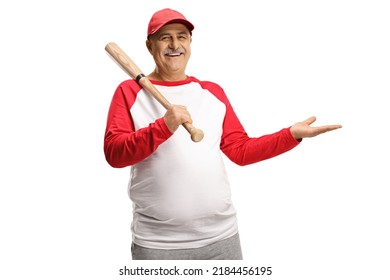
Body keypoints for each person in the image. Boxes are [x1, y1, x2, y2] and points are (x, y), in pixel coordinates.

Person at [103, 8, 342, 260]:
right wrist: (164, 126)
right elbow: (114, 154)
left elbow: (240, 151)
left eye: (181, 36)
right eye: (165, 37)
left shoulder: (211, 92)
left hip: (222, 238)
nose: (175, 44)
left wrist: (290, 135)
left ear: (190, 42)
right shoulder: (129, 92)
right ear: (150, 46)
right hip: (159, 243)